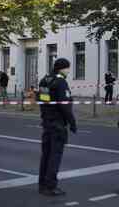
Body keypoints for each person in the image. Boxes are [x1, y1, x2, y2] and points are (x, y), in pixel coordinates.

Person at [38, 58, 77, 197]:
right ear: (62, 68)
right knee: (55, 156)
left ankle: (42, 184)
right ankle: (51, 186)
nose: (68, 70)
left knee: (46, 155)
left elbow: (42, 100)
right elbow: (64, 105)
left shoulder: (45, 80)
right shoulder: (61, 82)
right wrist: (72, 123)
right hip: (58, 124)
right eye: (67, 68)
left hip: (47, 122)